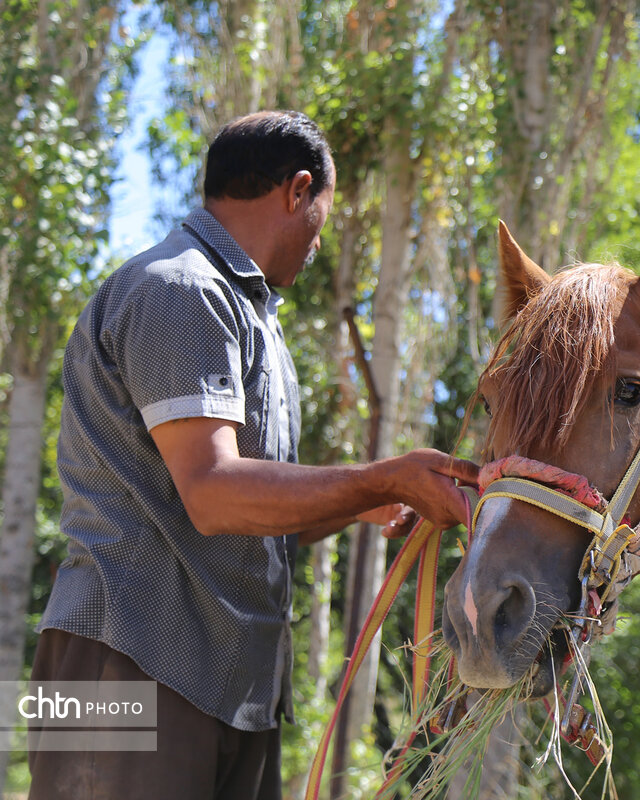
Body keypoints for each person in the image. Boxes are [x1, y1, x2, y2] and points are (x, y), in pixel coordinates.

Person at [28, 110, 478, 799]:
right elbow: (214, 494)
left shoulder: (245, 311)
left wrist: (372, 500)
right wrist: (381, 475)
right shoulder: (180, 289)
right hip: (129, 667)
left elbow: (248, 511)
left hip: (225, 687)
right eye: (322, 221)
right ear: (297, 191)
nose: (318, 244)